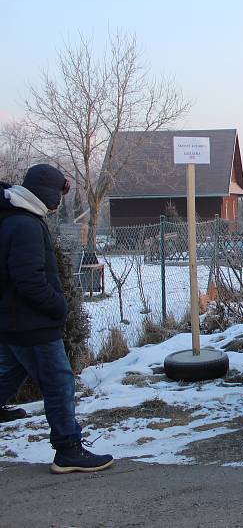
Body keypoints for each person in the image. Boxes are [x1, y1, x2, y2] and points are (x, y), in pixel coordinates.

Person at [0, 164, 113, 474]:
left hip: (14, 320)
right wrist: (58, 306)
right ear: (45, 192)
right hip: (32, 322)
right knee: (59, 383)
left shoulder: (15, 218)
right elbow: (29, 280)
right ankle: (68, 449)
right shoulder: (24, 224)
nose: (59, 203)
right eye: (58, 195)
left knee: (8, 373)